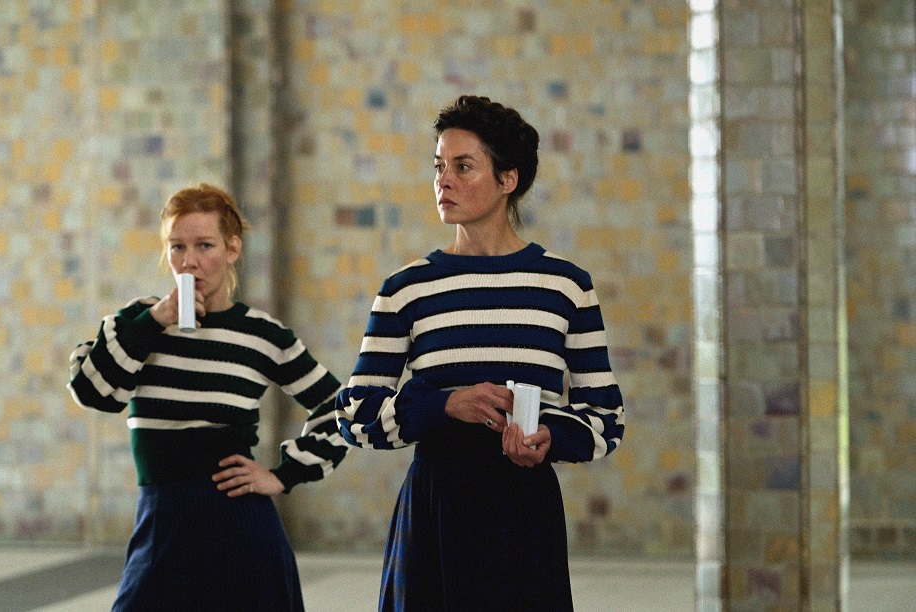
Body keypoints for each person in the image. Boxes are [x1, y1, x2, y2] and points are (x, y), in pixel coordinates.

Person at [336, 95, 625, 611]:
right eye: (438, 166)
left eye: (463, 167)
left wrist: (550, 436)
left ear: (508, 178)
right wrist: (445, 404)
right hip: (435, 514)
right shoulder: (406, 289)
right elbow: (355, 416)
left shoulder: (566, 287)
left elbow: (606, 417)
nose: (443, 181)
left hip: (525, 512)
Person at [68, 183, 347, 611]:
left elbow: (341, 407)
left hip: (242, 528)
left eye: (205, 245)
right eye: (177, 247)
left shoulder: (262, 334)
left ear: (232, 249)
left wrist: (283, 475)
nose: (190, 261)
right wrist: (156, 319)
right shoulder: (137, 322)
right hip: (162, 523)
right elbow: (93, 393)